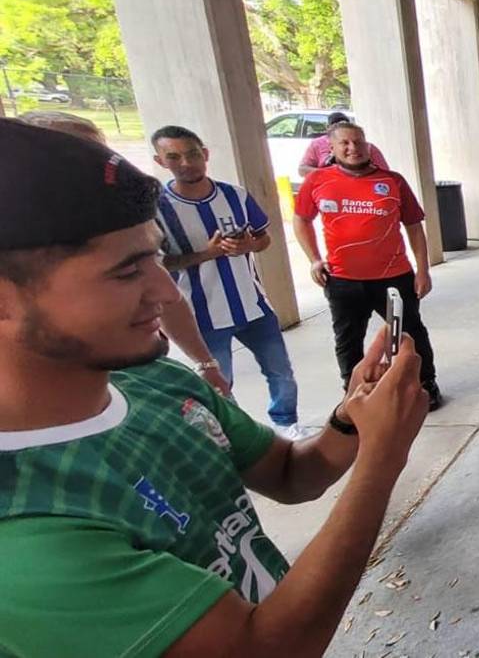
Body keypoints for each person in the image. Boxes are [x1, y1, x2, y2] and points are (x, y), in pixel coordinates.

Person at [0, 118, 430, 657]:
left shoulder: (153, 380)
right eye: (127, 271)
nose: (166, 291)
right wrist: (382, 460)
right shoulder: (25, 529)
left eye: (156, 257)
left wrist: (352, 419)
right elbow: (264, 648)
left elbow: (295, 474)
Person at [15, 112, 231, 397]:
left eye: (103, 159)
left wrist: (205, 363)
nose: (165, 291)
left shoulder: (123, 218)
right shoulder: (24, 241)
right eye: (125, 272)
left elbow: (167, 295)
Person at [152, 126, 303, 439]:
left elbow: (263, 237)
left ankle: (286, 423)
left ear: (205, 155)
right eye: (174, 156)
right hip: (201, 315)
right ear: (160, 161)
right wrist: (205, 254)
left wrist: (249, 246)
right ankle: (237, 436)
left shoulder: (235, 195)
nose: (186, 162)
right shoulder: (158, 208)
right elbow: (158, 263)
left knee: (281, 373)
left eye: (192, 153)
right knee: (220, 382)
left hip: (253, 305)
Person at [293, 121, 442, 410]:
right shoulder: (318, 181)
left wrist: (422, 270)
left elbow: (413, 226)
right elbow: (301, 219)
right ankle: (353, 391)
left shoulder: (392, 181)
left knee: (411, 333)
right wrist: (314, 259)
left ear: (368, 145)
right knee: (348, 340)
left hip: (394, 277)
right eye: (345, 143)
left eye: (359, 142)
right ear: (332, 147)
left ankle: (426, 383)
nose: (353, 148)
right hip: (343, 280)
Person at [297, 111, 389, 179]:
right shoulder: (317, 144)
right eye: (344, 143)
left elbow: (385, 173)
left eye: (357, 142)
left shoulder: (368, 147)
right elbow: (302, 169)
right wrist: (330, 174)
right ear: (332, 149)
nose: (352, 148)